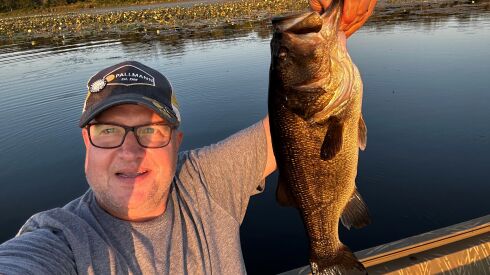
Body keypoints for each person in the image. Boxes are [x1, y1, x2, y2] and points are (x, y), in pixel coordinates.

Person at [0, 1, 376, 274]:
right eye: (109, 131)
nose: (129, 151)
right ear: (87, 142)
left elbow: (293, 124)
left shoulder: (204, 182)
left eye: (150, 130)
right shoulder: (58, 241)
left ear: (177, 141)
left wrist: (338, 26)